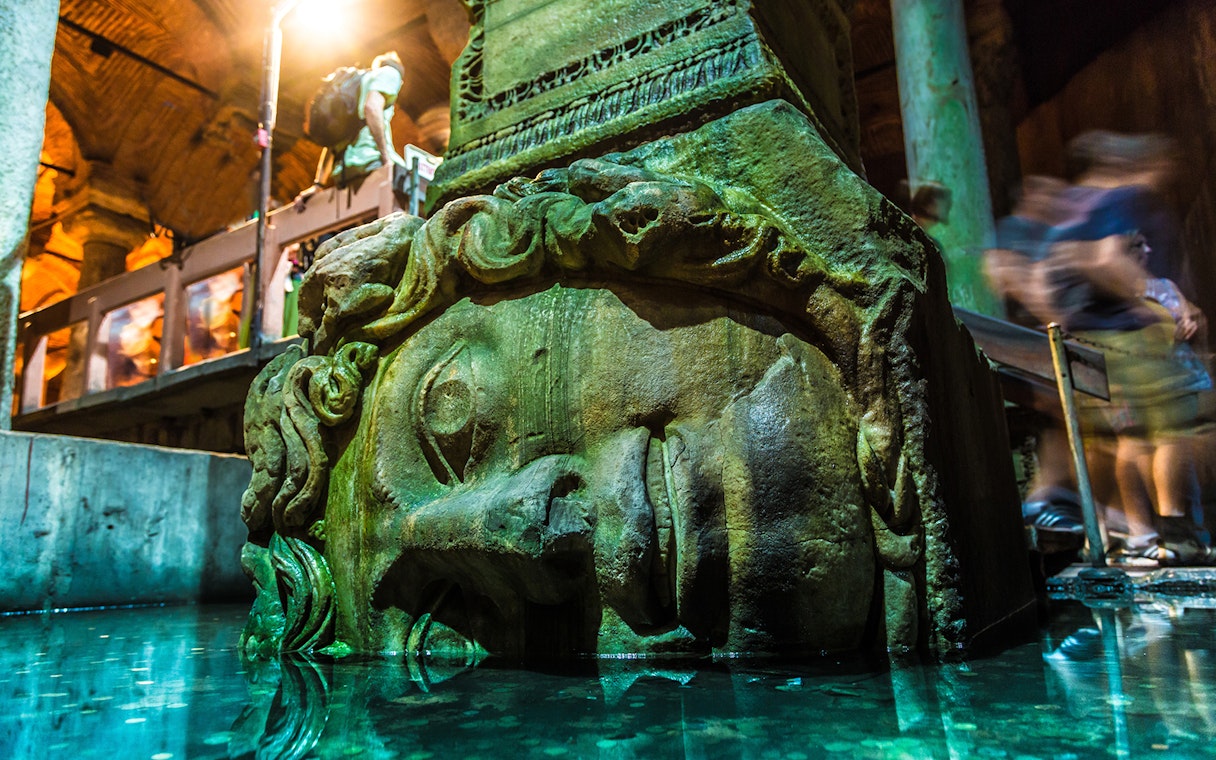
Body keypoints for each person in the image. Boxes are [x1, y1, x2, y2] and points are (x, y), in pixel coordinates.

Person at [297, 52, 407, 204]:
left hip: (344, 175)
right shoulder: (389, 74)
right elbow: (371, 108)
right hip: (372, 163)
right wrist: (386, 159)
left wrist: (318, 184)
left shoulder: (355, 87)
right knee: (411, 208)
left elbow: (333, 139)